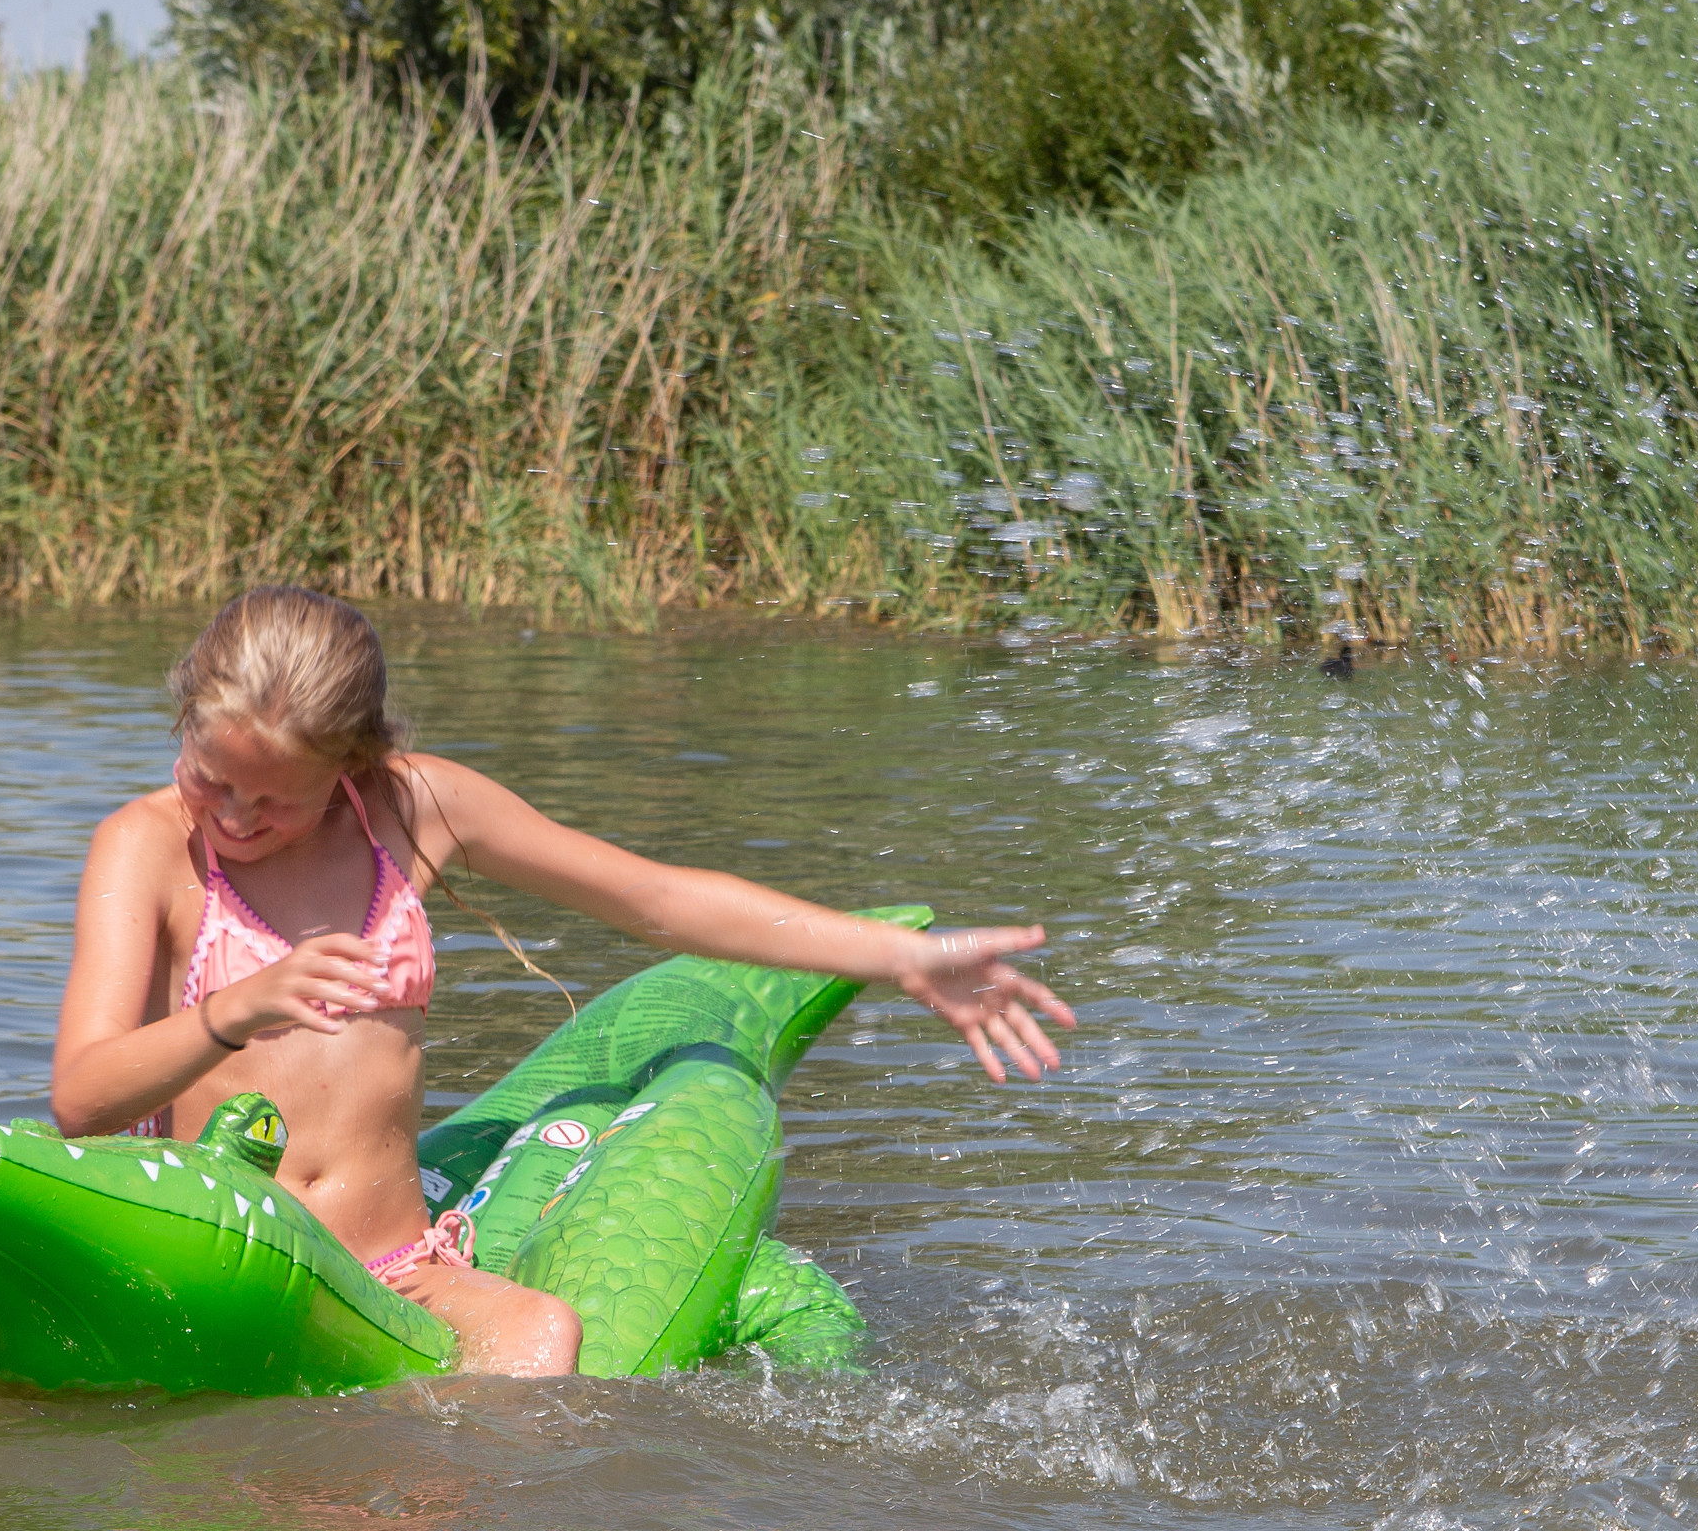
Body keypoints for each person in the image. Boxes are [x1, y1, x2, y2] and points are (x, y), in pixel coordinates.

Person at [52, 586, 1073, 1378]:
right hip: (224, 1260)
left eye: (273, 798)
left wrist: (894, 955)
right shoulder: (144, 848)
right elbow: (83, 1094)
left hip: (396, 1266)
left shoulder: (412, 810)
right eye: (209, 773)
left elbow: (659, 900)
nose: (232, 813)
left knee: (545, 1336)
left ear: (355, 767)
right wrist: (234, 1010)